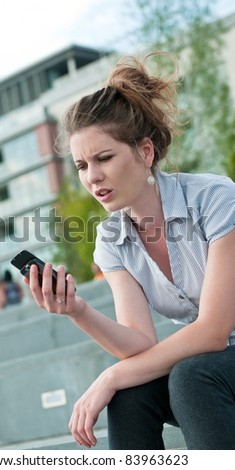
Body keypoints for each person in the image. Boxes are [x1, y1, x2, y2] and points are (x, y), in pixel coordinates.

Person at [24, 53, 235, 450]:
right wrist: (76, 310)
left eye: (104, 158)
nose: (92, 177)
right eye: (82, 165)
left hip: (212, 364)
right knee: (134, 391)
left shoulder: (215, 198)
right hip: (211, 368)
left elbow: (213, 331)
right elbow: (139, 342)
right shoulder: (112, 239)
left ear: (146, 152)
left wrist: (110, 376)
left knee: (187, 376)